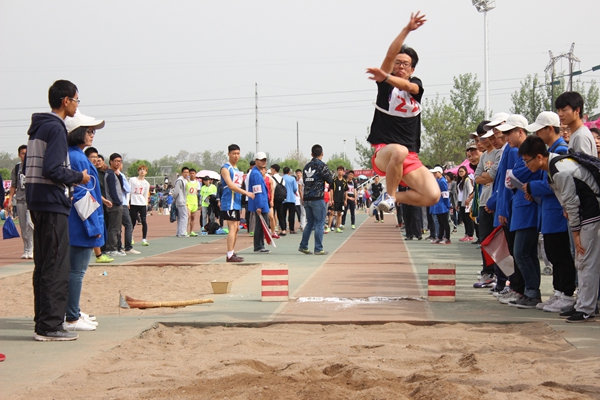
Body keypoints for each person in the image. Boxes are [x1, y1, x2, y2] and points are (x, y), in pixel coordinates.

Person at [26, 80, 90, 341]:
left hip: (38, 201)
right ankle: (50, 326)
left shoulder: (39, 127)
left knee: (44, 265)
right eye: (76, 100)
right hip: (51, 202)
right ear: (66, 101)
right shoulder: (55, 127)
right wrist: (78, 177)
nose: (76, 105)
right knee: (55, 265)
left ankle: (44, 322)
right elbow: (52, 169)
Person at [518, 135, 599, 322]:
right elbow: (567, 200)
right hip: (586, 212)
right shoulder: (555, 164)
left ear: (539, 157)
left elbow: (571, 202)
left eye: (527, 161)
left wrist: (576, 233)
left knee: (586, 261)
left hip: (591, 213)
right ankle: (583, 304)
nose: (526, 165)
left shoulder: (559, 169)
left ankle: (586, 308)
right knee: (582, 261)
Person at [366, 11, 439, 212]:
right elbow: (390, 55)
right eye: (397, 63)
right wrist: (407, 29)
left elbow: (411, 87)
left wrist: (387, 77)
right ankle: (390, 196)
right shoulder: (385, 85)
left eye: (405, 64)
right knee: (399, 150)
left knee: (432, 195)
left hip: (409, 157)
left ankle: (388, 198)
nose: (400, 67)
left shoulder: (416, 85)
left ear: (412, 69)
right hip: (385, 152)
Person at [524, 111, 576, 312]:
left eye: (538, 130)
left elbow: (559, 183)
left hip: (558, 212)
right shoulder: (551, 151)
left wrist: (532, 187)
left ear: (548, 129)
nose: (537, 134)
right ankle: (559, 292)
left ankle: (566, 293)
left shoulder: (560, 151)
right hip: (549, 211)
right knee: (553, 254)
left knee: (561, 254)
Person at [63, 110, 105, 332]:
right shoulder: (79, 158)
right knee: (77, 272)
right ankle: (71, 316)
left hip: (76, 221)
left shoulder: (73, 155)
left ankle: (74, 311)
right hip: (81, 224)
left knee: (73, 271)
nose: (92, 134)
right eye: (88, 131)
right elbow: (82, 196)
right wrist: (93, 226)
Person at [497, 114, 542, 308]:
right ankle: (529, 292)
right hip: (520, 207)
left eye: (509, 133)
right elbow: (509, 179)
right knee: (525, 253)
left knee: (522, 252)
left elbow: (514, 176)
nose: (506, 137)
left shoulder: (527, 152)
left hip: (528, 209)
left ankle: (531, 292)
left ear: (521, 132)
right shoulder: (517, 152)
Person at [220, 144, 255, 262]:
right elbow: (230, 185)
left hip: (237, 202)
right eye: (234, 153)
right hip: (229, 201)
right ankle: (229, 254)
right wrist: (246, 193)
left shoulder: (237, 169)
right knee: (232, 227)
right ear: (229, 154)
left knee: (236, 228)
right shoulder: (225, 168)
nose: (236, 156)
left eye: (238, 153)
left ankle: (232, 252)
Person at [299, 144, 333, 255]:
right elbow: (330, 180)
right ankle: (318, 248)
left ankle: (303, 246)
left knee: (310, 223)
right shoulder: (322, 166)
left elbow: (305, 181)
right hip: (317, 198)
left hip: (307, 198)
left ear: (311, 154)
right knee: (319, 223)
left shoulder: (306, 167)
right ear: (322, 154)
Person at [85, 148, 113, 263]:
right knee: (93, 228)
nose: (96, 159)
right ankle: (98, 255)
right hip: (88, 203)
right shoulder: (87, 170)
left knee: (97, 228)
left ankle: (99, 254)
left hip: (96, 203)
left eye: (97, 157)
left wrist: (103, 200)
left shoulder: (95, 171)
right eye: (93, 157)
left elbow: (95, 190)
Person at [9, 144, 33, 259]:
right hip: (20, 200)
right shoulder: (16, 168)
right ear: (19, 155)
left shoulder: (33, 166)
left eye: (27, 153)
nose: (25, 155)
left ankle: (32, 248)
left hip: (31, 199)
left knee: (30, 223)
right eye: (23, 153)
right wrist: (10, 199)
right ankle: (26, 249)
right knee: (23, 226)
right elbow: (13, 185)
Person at [556, 91, 597, 156]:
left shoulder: (580, 136)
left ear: (577, 110)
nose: (560, 114)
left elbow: (584, 162)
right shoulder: (577, 134)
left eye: (564, 110)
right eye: (558, 110)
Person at [248, 152, 271, 254]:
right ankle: (259, 246)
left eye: (264, 160)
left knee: (261, 224)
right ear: (256, 161)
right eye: (261, 160)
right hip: (261, 203)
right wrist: (259, 205)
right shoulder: (256, 174)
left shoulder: (256, 172)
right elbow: (257, 191)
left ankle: (260, 245)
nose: (263, 162)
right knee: (261, 225)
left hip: (262, 202)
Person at [104, 153, 125, 256]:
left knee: (114, 227)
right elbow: (113, 191)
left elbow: (121, 186)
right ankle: (113, 249)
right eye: (116, 161)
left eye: (119, 161)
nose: (118, 163)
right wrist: (118, 202)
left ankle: (112, 248)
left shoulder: (114, 174)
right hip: (114, 204)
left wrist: (119, 175)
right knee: (115, 228)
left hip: (114, 204)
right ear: (111, 162)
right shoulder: (110, 174)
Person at [129, 165, 151, 246]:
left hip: (142, 203)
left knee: (144, 221)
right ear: (138, 171)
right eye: (140, 170)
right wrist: (128, 201)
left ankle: (144, 239)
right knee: (132, 221)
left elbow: (145, 195)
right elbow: (129, 191)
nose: (142, 171)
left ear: (146, 172)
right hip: (133, 202)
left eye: (144, 170)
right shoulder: (132, 180)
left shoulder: (146, 183)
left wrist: (146, 205)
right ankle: (130, 237)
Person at [429, 167, 451, 244]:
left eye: (436, 172)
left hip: (442, 205)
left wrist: (447, 204)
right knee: (440, 222)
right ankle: (440, 237)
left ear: (440, 172)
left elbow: (445, 194)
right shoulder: (437, 180)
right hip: (438, 205)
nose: (434, 174)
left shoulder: (442, 181)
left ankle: (447, 238)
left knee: (445, 222)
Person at [456, 165, 474, 242]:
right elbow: (459, 193)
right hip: (461, 202)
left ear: (466, 172)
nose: (460, 173)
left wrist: (468, 200)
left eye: (462, 171)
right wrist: (457, 203)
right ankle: (466, 234)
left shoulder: (467, 180)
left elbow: (470, 191)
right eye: (459, 171)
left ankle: (470, 235)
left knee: (468, 219)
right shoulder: (460, 181)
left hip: (466, 202)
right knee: (463, 219)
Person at [330, 166, 348, 233]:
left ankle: (337, 227)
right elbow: (331, 190)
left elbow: (346, 191)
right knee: (332, 213)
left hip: (341, 199)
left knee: (339, 214)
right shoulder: (334, 180)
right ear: (337, 171)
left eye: (341, 170)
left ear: (343, 172)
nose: (340, 171)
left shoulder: (344, 181)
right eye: (339, 170)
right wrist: (331, 199)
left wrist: (345, 200)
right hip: (335, 199)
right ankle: (329, 227)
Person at [173, 167, 189, 237]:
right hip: (181, 200)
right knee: (184, 216)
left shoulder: (185, 180)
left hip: (183, 200)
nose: (186, 174)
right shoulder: (180, 180)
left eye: (187, 172)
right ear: (182, 173)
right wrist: (175, 199)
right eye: (185, 172)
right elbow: (176, 191)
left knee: (180, 217)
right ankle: (182, 232)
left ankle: (179, 232)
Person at [282, 167, 298, 234]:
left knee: (283, 215)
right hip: (291, 198)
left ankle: (284, 229)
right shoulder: (292, 178)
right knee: (292, 214)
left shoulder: (281, 178)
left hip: (283, 199)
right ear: (289, 172)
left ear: (283, 172)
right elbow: (295, 188)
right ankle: (291, 229)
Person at [185, 168, 200, 236]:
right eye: (190, 173)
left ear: (195, 174)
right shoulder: (186, 182)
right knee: (188, 216)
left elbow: (198, 192)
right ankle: (185, 231)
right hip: (188, 201)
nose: (192, 174)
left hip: (194, 201)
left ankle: (191, 231)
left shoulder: (197, 182)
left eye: (193, 173)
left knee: (193, 217)